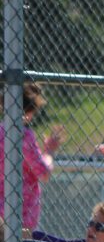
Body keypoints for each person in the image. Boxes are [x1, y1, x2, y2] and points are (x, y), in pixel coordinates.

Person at [0, 82, 66, 229]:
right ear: (29, 113)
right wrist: (49, 151)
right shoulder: (24, 135)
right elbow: (43, 173)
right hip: (22, 215)